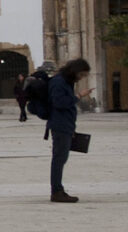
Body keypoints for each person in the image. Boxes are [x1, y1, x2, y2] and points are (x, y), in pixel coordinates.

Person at [48, 58, 89, 203]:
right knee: (59, 158)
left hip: (65, 124)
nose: (82, 78)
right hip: (60, 125)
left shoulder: (65, 82)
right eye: (82, 74)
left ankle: (58, 189)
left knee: (61, 158)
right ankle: (57, 191)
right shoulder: (59, 82)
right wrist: (78, 96)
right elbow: (59, 103)